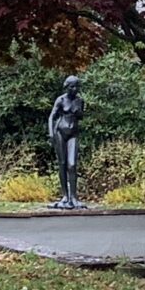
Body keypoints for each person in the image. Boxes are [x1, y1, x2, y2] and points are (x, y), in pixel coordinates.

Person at [48, 76, 86, 209]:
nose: (75, 89)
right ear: (67, 87)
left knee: (72, 164)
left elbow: (81, 116)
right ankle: (65, 195)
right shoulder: (61, 100)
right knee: (62, 163)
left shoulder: (79, 100)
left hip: (73, 134)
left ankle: (74, 197)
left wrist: (78, 111)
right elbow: (52, 116)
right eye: (72, 87)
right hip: (60, 133)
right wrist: (51, 133)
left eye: (77, 86)